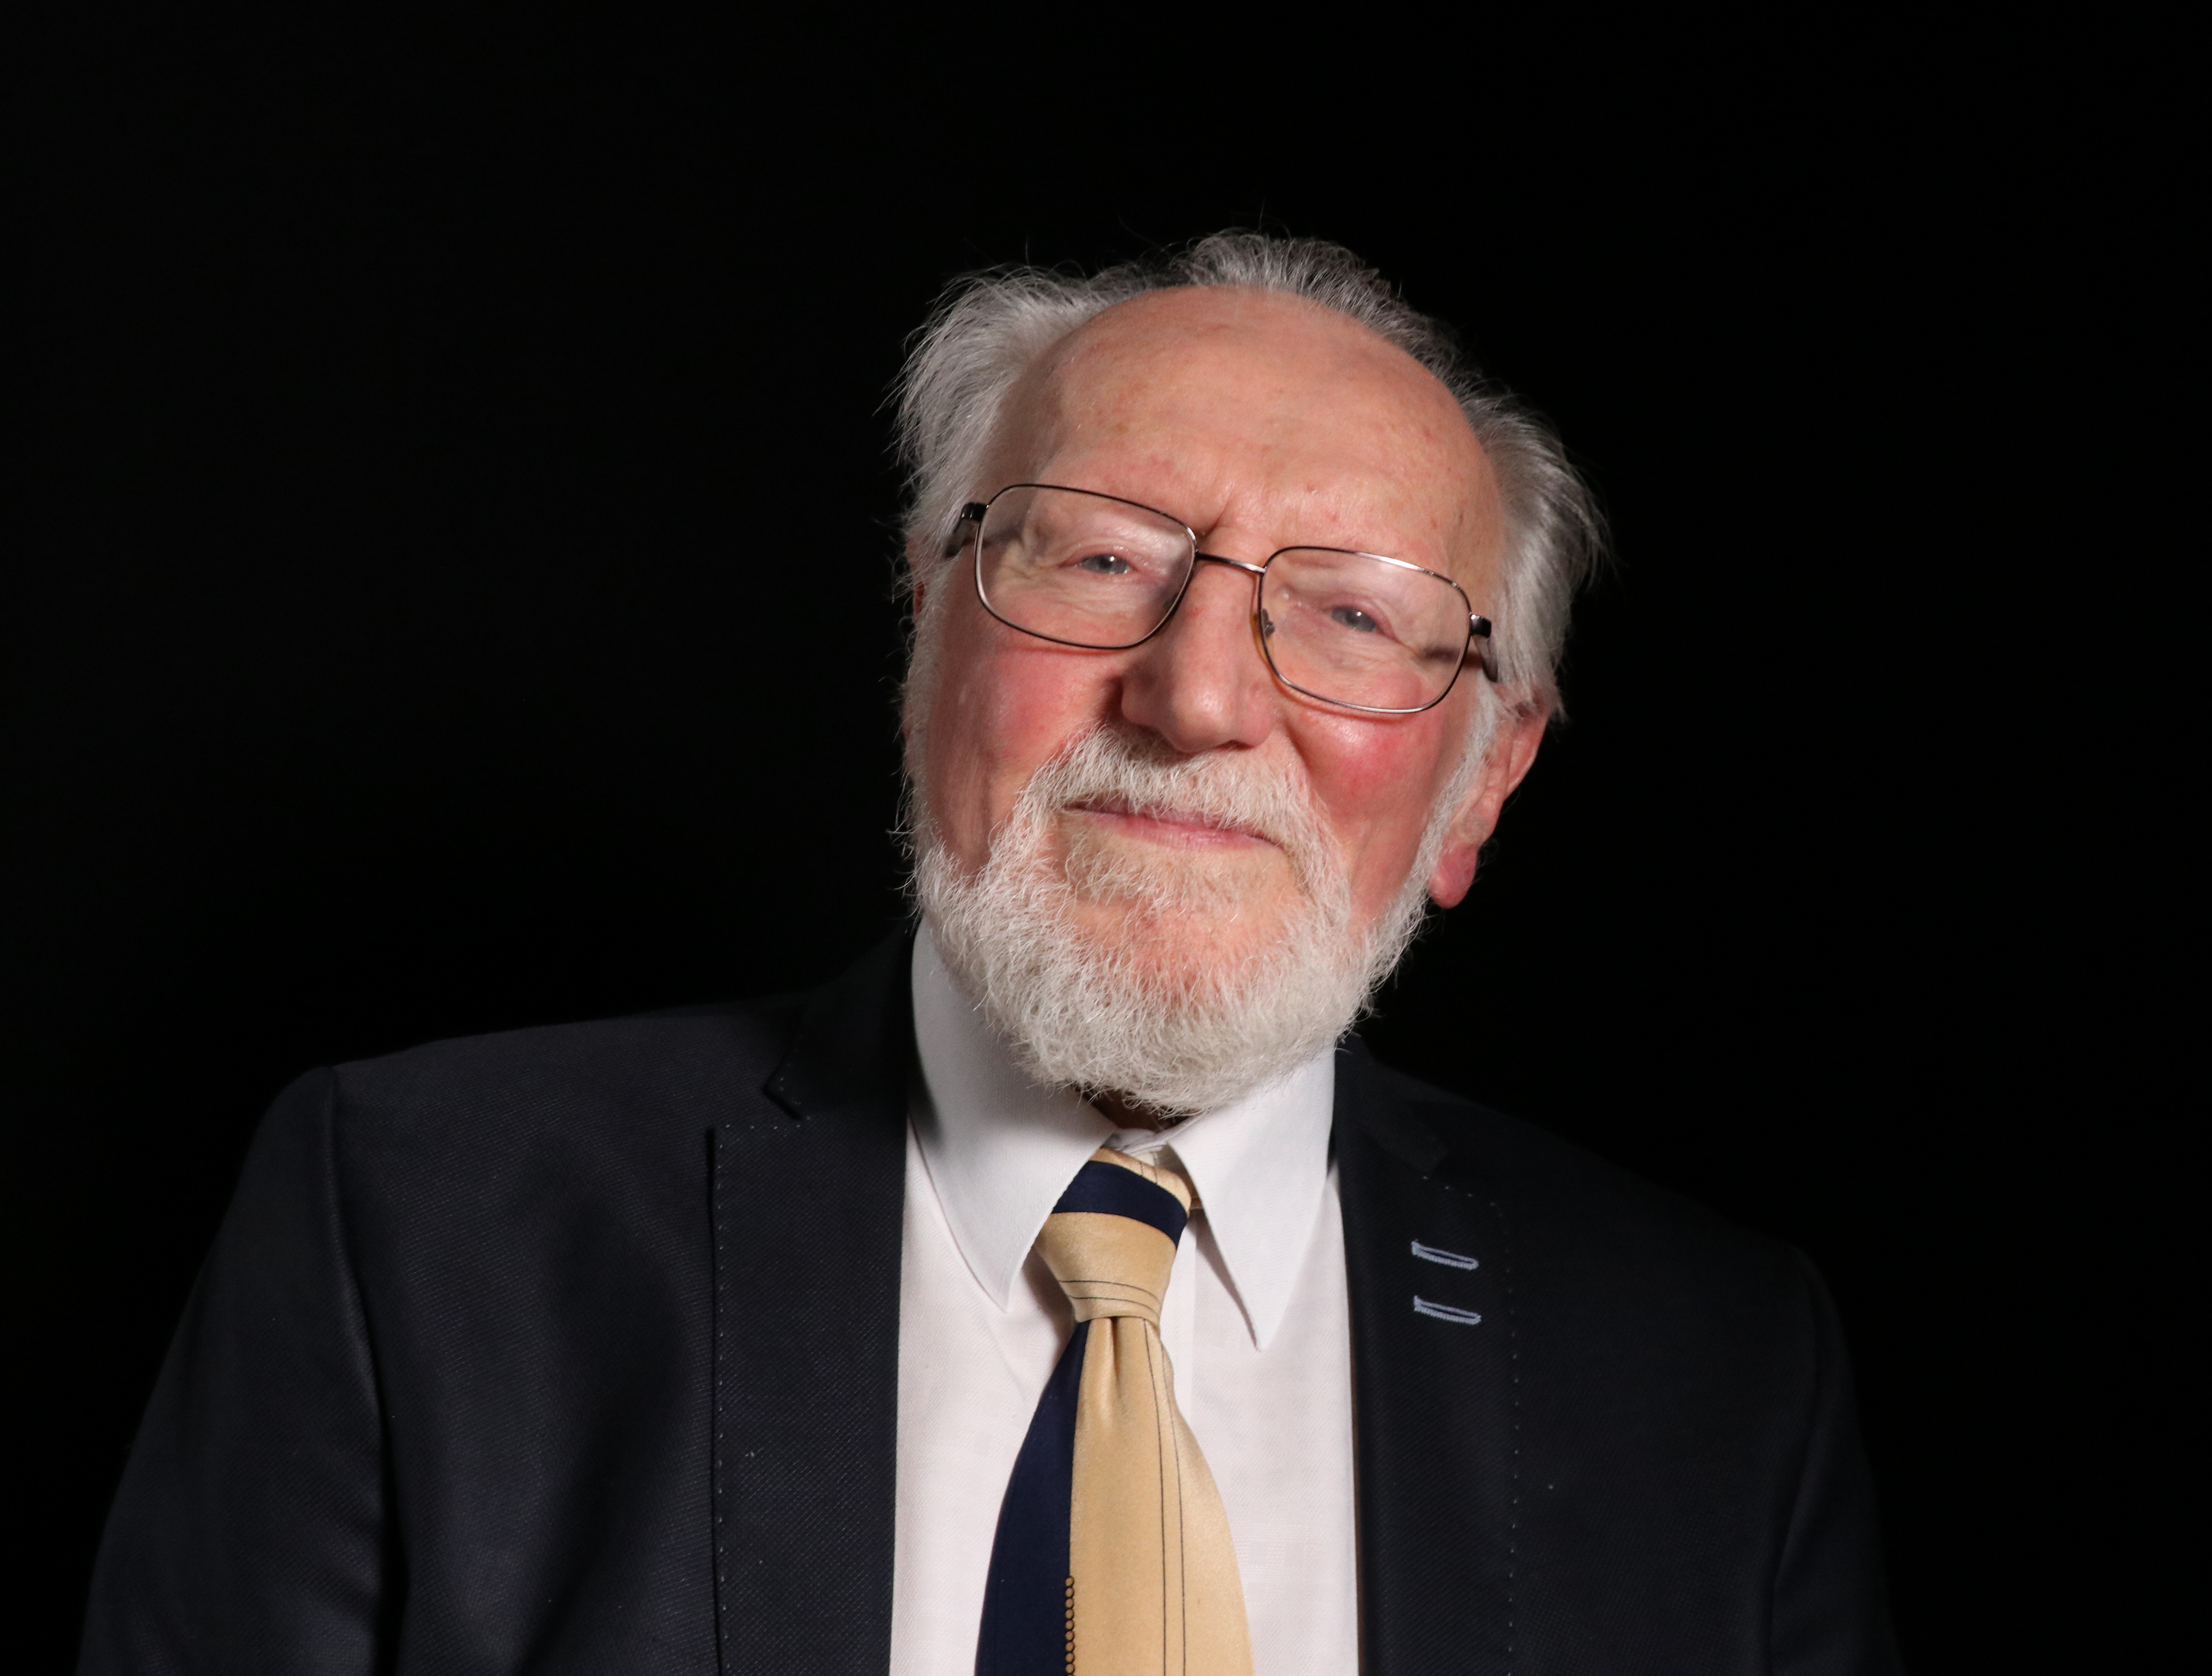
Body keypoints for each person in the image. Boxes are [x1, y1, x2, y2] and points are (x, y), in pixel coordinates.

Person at [79, 234, 1901, 1674]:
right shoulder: (414, 1227)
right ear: (926, 635)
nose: (1197, 697)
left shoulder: (1721, 1379)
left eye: (1354, 614)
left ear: (1483, 777)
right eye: (1100, 562)